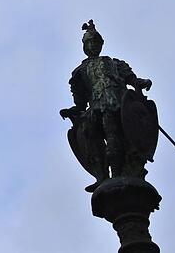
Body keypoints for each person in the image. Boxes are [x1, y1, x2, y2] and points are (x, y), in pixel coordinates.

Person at [60, 20, 151, 192]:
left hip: (116, 104)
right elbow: (80, 101)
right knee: (90, 135)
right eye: (90, 43)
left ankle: (117, 174)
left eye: (96, 42)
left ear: (101, 44)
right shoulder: (80, 72)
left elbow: (132, 79)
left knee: (113, 134)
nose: (93, 45)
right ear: (85, 47)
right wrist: (72, 111)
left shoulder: (114, 63)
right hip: (95, 108)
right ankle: (101, 175)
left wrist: (140, 83)